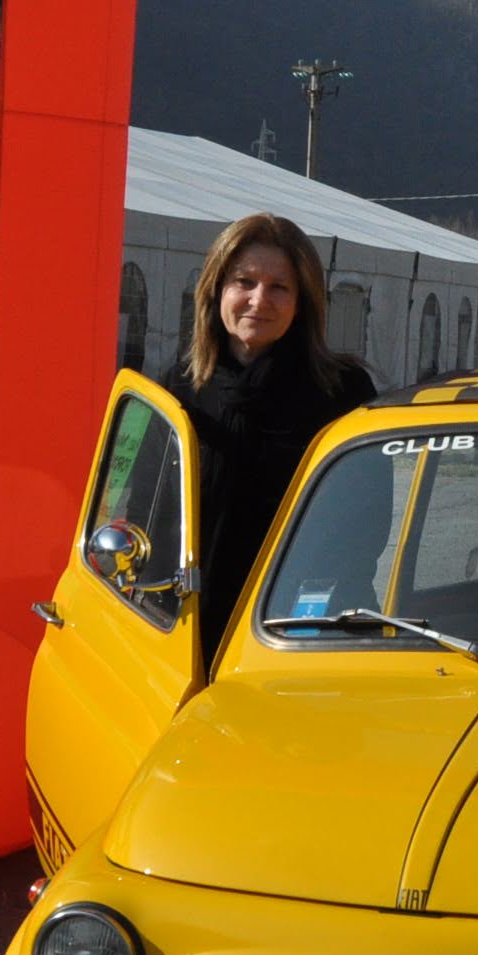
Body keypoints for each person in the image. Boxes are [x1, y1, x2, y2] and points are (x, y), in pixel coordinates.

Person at [171, 214, 375, 641]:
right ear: (216, 289)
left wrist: (308, 621)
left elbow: (363, 530)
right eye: (244, 282)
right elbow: (147, 517)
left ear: (302, 302)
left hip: (299, 631)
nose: (259, 299)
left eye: (279, 287)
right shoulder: (178, 392)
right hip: (187, 629)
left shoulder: (341, 392)